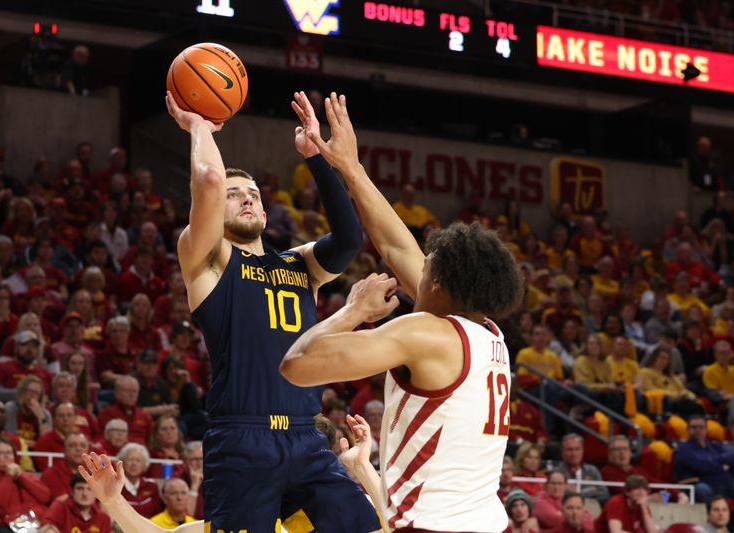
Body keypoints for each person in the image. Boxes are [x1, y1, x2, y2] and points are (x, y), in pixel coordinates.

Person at [280, 92, 523, 531]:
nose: (419, 263)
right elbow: (394, 246)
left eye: (428, 263)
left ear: (438, 285)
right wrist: (350, 167)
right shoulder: (486, 332)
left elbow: (296, 365)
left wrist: (351, 312)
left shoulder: (425, 333)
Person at [165, 87, 378, 533]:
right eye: (234, 194)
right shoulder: (207, 259)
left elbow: (348, 241)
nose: (247, 199)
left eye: (254, 194)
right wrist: (199, 127)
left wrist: (317, 158)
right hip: (242, 438)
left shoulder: (298, 263)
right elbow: (206, 181)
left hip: (306, 436)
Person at [0, 436, 51, 526]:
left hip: (37, 522)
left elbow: (45, 496)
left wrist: (21, 476)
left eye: (9, 452)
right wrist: (9, 476)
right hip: (11, 525)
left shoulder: (25, 475)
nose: (7, 456)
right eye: (1, 453)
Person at [674, 414, 734, 502]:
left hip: (722, 483)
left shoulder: (714, 446)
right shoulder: (684, 449)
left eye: (701, 427)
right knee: (702, 489)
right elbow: (702, 466)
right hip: (698, 484)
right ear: (688, 430)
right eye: (694, 427)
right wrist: (722, 465)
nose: (697, 430)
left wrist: (712, 461)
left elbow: (731, 455)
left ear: (706, 430)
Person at [44, 473, 112, 533]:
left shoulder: (103, 518)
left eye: (89, 489)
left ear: (96, 493)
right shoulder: (60, 507)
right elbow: (45, 528)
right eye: (80, 488)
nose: (85, 493)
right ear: (72, 492)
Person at [557, 434, 609, 504]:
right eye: (570, 450)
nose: (574, 454)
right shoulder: (557, 473)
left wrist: (576, 493)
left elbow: (604, 493)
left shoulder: (592, 470)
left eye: (577, 449)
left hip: (591, 507)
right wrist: (592, 490)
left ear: (583, 451)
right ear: (562, 452)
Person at [41, 432, 91, 501]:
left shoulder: (95, 473)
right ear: (64, 450)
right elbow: (61, 501)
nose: (78, 449)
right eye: (72, 445)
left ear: (88, 450)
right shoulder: (51, 474)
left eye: (82, 446)